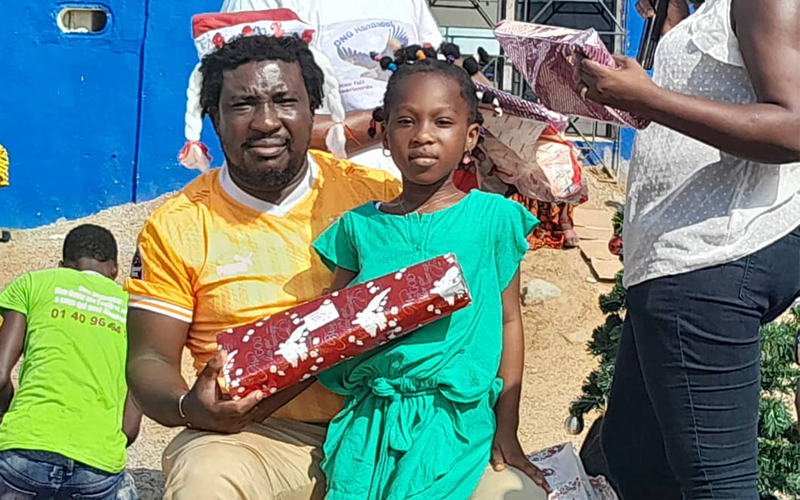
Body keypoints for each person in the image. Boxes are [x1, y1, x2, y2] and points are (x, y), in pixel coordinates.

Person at [124, 23, 401, 500]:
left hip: (389, 425)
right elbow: (150, 358)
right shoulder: (176, 227)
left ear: (313, 111)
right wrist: (191, 408)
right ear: (213, 118)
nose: (266, 121)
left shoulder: (379, 198)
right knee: (205, 479)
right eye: (243, 105)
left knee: (509, 489)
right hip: (257, 437)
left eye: (285, 101)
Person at [574, 0, 800, 498]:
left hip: (711, 256)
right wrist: (669, 31)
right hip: (677, 262)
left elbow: (792, 127)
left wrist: (651, 98)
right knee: (633, 455)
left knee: (715, 484)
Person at [311, 46, 550, 500]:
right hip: (369, 422)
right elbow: (333, 322)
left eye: (442, 122)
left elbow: (508, 320)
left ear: (471, 136)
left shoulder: (493, 218)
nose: (423, 136)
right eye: (406, 121)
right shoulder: (359, 227)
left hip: (455, 420)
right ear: (384, 135)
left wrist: (508, 426)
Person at [218, 0, 445, 177]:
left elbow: (443, 81)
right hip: (318, 199)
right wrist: (395, 121)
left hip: (413, 196)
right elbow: (259, 124)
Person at [0, 224, 141, 500]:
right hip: (96, 468)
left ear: (63, 266)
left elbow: (0, 375)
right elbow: (129, 426)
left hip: (23, 453)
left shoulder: (32, 284)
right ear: (115, 269)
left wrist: (6, 412)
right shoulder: (134, 308)